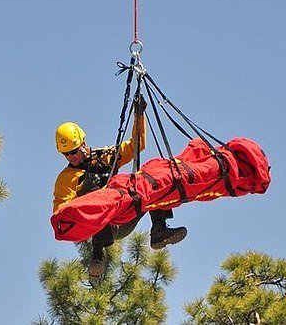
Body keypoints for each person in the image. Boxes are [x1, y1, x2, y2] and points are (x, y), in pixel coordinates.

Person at [53, 109, 187, 280]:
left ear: (83, 143)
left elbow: (136, 145)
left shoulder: (106, 156)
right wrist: (82, 195)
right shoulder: (65, 179)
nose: (71, 157)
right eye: (66, 154)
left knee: (150, 179)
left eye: (74, 151)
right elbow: (60, 213)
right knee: (93, 192)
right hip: (103, 225)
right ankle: (97, 254)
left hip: (125, 213)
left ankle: (159, 229)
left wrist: (139, 115)